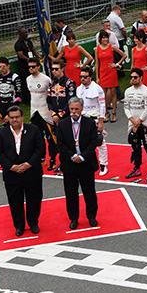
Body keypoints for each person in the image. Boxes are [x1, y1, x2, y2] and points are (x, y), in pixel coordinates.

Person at [0, 106, 46, 236]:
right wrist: (11, 166)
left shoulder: (33, 130)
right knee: (15, 201)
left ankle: (33, 223)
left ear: (22, 117)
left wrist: (28, 164)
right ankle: (19, 226)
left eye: (17, 117)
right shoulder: (2, 133)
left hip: (32, 172)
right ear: (8, 119)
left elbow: (40, 149)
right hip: (12, 174)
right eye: (12, 117)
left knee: (34, 199)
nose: (14, 120)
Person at [55, 97, 99, 230]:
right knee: (71, 192)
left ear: (81, 109)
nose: (73, 111)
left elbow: (93, 142)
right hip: (70, 163)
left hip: (86, 163)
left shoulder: (90, 123)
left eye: (76, 109)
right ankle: (73, 218)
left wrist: (83, 157)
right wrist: (73, 156)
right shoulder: (62, 124)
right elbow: (60, 144)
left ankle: (91, 216)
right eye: (71, 109)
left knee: (89, 191)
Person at [124, 68, 147, 179]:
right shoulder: (128, 91)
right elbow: (126, 108)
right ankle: (137, 168)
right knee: (135, 147)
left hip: (145, 124)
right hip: (132, 124)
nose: (133, 79)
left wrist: (138, 123)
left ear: (141, 78)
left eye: (135, 77)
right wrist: (133, 122)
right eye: (131, 77)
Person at [25, 58, 58, 169]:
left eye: (33, 66)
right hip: (34, 112)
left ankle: (53, 159)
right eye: (29, 67)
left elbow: (51, 96)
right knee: (37, 138)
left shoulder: (46, 79)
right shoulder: (28, 79)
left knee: (50, 137)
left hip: (45, 112)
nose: (31, 68)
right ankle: (41, 158)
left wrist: (52, 113)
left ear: (38, 66)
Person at [76, 66, 109, 176]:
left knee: (100, 142)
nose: (82, 79)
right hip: (82, 118)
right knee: (83, 141)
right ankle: (86, 161)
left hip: (95, 118)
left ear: (90, 77)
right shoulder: (78, 89)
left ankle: (103, 164)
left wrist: (101, 121)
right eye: (81, 77)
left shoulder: (98, 89)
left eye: (85, 77)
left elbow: (102, 105)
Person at [95, 30, 126, 122]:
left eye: (106, 37)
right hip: (103, 71)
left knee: (113, 92)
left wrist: (116, 64)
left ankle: (114, 112)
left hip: (111, 71)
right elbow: (97, 63)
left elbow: (124, 55)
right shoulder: (97, 49)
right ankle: (106, 112)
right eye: (103, 37)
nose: (105, 39)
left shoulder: (112, 47)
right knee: (103, 93)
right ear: (100, 38)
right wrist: (97, 77)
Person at [0, 57, 23, 125]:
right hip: (2, 108)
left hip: (12, 106)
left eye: (3, 67)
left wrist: (10, 113)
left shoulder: (15, 77)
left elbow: (18, 96)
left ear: (8, 66)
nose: (1, 69)